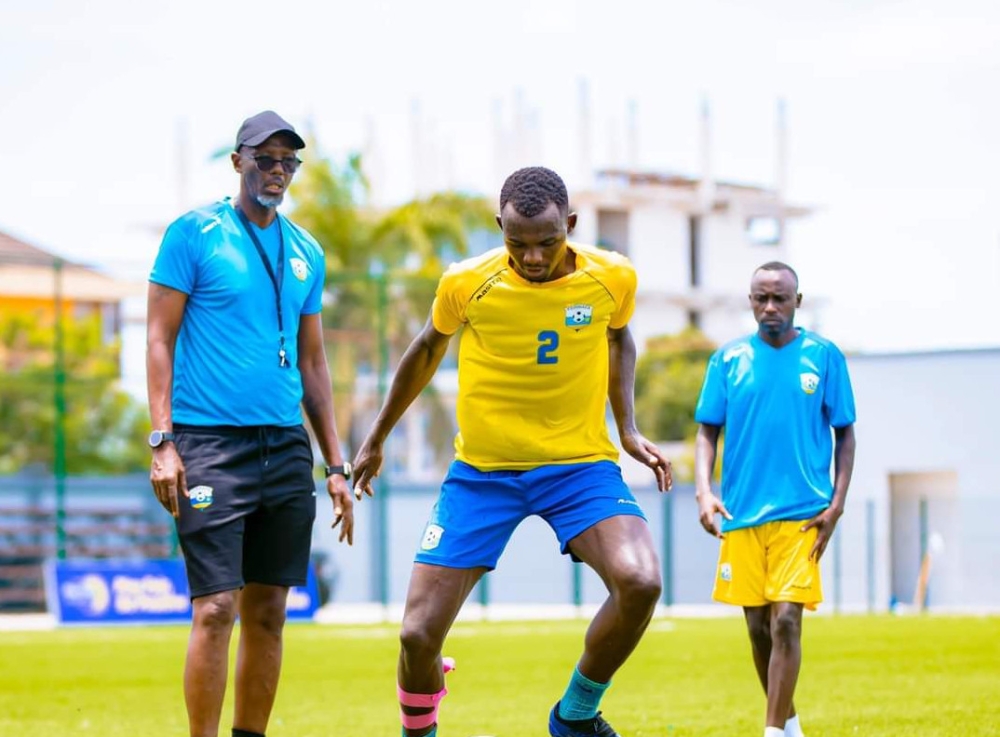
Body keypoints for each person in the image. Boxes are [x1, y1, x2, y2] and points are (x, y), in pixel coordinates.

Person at [352, 166, 672, 737]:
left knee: (641, 582)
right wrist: (376, 437)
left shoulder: (613, 277)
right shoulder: (465, 281)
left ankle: (575, 715)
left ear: (570, 225)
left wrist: (627, 429)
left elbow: (619, 337)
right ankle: (418, 731)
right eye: (516, 243)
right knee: (417, 636)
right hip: (482, 473)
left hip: (578, 468)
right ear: (499, 226)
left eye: (547, 242)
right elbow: (426, 349)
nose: (531, 257)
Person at [147, 110, 354, 737]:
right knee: (215, 608)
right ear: (237, 161)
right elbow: (159, 338)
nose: (277, 171)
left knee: (270, 612)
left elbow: (314, 362)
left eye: (289, 161)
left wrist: (337, 465)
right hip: (208, 445)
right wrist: (163, 441)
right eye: (265, 158)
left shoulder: (306, 251)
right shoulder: (194, 234)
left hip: (286, 449)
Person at [693, 261, 857, 737]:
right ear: (750, 301)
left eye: (779, 298)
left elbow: (845, 433)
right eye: (760, 298)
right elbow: (707, 431)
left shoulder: (824, 357)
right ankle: (789, 723)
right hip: (742, 515)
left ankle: (770, 732)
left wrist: (838, 502)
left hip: (803, 514)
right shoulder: (727, 360)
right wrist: (705, 493)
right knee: (758, 630)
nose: (770, 307)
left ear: (797, 302)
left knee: (786, 620)